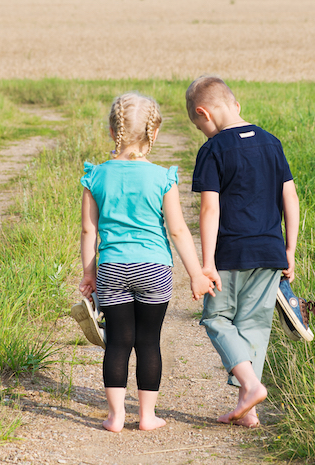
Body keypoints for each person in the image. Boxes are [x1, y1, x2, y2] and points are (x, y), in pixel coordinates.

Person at [77, 92, 216, 433]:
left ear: (112, 132)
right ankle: (147, 416)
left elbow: (87, 231)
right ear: (154, 134)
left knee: (119, 341)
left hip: (112, 268)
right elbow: (179, 231)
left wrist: (89, 273)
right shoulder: (161, 178)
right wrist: (196, 274)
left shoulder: (95, 177)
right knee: (149, 341)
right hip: (154, 268)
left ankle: (115, 416)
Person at [186, 76, 300, 428]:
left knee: (217, 319)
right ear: (235, 105)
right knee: (254, 325)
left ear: (204, 113)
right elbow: (290, 198)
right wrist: (290, 249)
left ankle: (250, 386)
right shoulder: (271, 143)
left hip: (232, 252)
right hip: (270, 250)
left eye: (198, 125)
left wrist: (206, 263)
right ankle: (248, 410)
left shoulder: (213, 150)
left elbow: (210, 210)